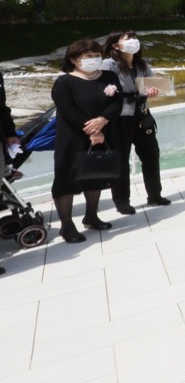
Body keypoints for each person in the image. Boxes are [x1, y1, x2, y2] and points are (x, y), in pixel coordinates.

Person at [51, 40, 122, 243]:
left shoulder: (108, 77)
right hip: (73, 138)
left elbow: (117, 102)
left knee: (95, 175)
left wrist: (103, 120)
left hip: (103, 132)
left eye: (96, 55)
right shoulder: (65, 82)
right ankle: (66, 225)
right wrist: (91, 129)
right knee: (66, 180)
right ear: (74, 59)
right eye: (88, 57)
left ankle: (91, 215)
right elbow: (67, 109)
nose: (94, 60)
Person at [100, 30, 169, 210]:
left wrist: (153, 91)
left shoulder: (142, 64)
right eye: (128, 39)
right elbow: (101, 88)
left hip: (142, 114)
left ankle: (155, 194)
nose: (133, 41)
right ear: (116, 45)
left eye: (135, 38)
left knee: (151, 155)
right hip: (120, 117)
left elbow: (153, 85)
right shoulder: (109, 64)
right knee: (121, 159)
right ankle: (122, 201)